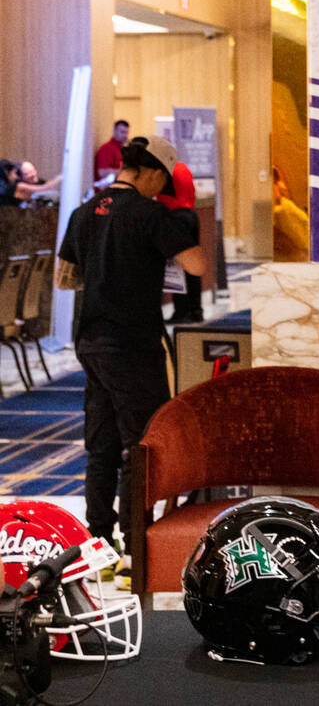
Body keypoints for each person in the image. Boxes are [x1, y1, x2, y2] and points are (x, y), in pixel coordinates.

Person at [57, 135, 205, 565]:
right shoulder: (151, 213)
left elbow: (64, 280)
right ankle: (136, 546)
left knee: (101, 445)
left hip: (90, 343)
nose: (161, 191)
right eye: (162, 183)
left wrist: (104, 273)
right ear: (153, 172)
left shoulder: (83, 212)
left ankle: (97, 544)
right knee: (141, 446)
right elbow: (196, 264)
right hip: (134, 345)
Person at [156, 161, 204, 323]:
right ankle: (196, 310)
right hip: (190, 215)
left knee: (178, 267)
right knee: (191, 268)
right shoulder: (182, 167)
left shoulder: (165, 170)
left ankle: (182, 311)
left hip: (176, 217)